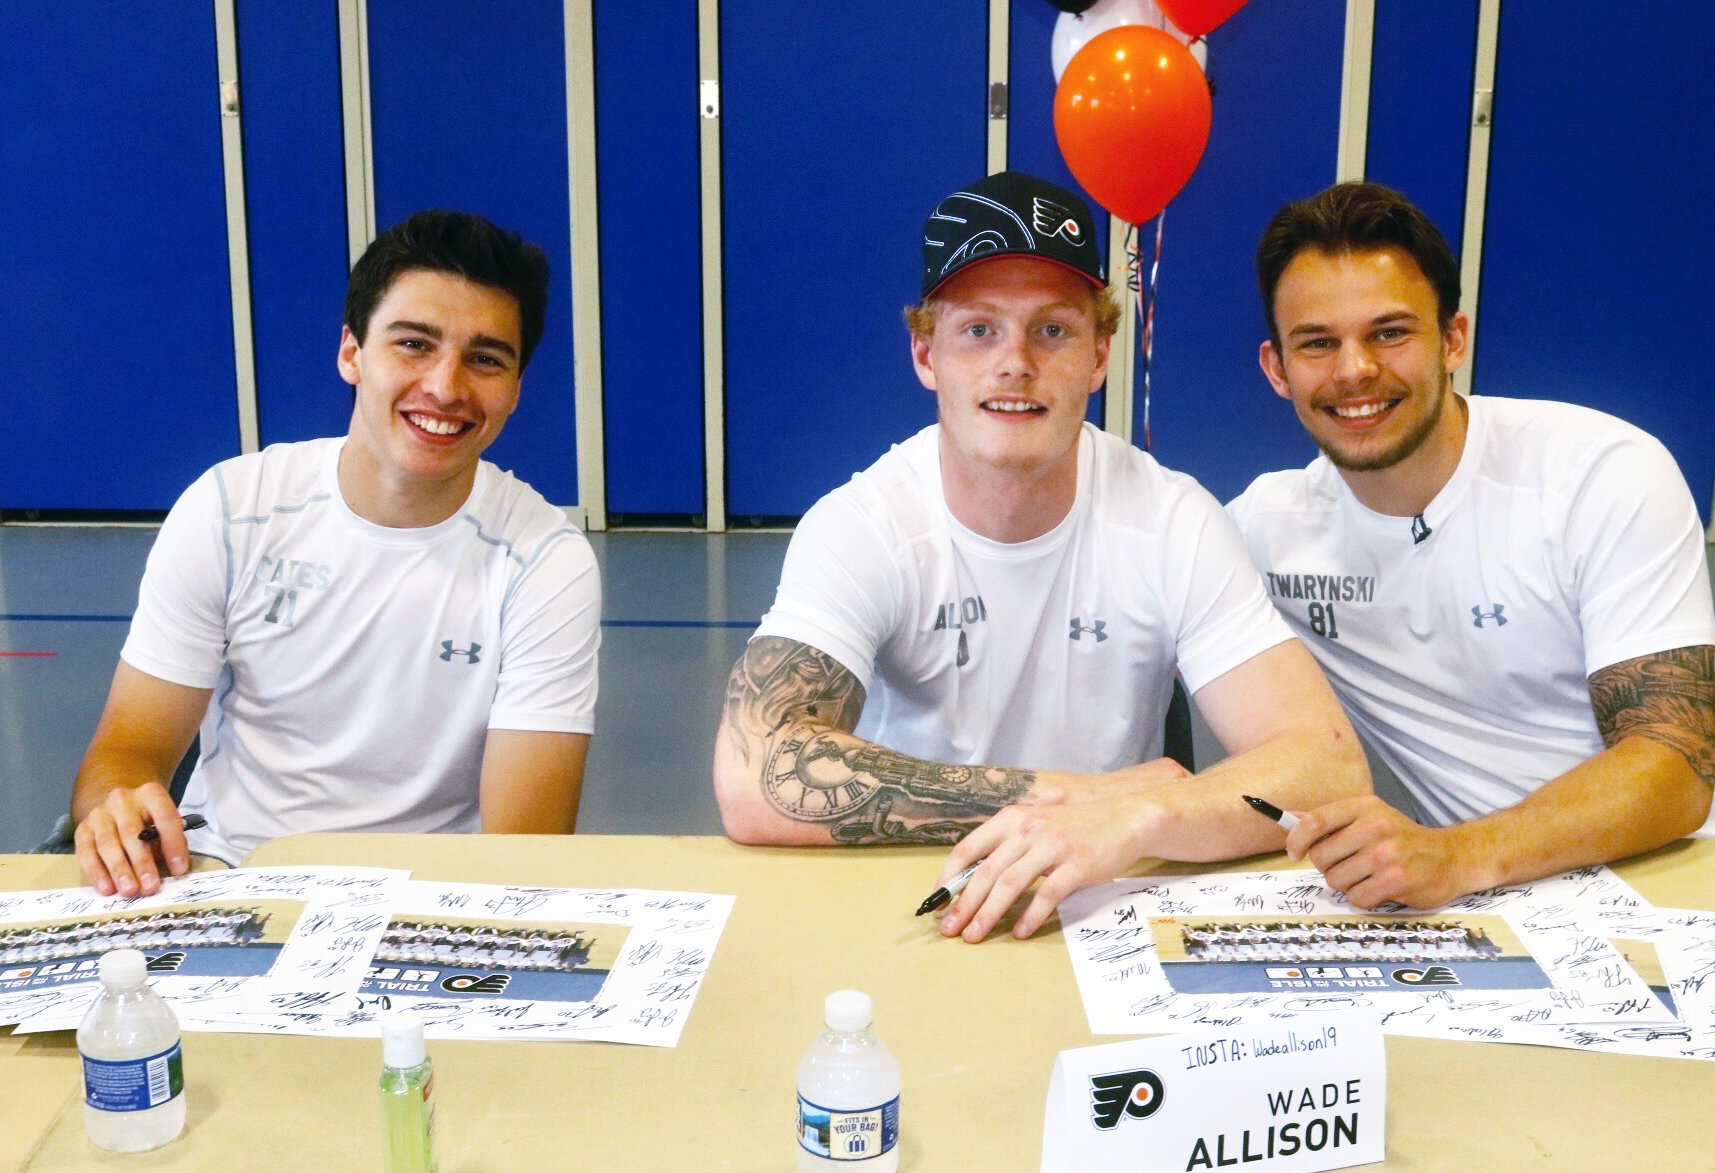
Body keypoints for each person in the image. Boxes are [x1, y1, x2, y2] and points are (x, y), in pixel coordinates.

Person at [714, 171, 1370, 942]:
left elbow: (1326, 766)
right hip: (916, 893)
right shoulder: (864, 524)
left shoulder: (1170, 518)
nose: (1015, 361)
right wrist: (1075, 798)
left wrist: (1139, 815)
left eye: (1052, 330)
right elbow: (755, 772)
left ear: (1099, 354)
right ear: (926, 353)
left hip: (1110, 897)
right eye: (979, 330)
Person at [1229, 181, 1715, 912]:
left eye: (1390, 332)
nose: (1354, 369)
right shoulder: (1264, 530)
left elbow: (1672, 767)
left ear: (1454, 339)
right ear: (1277, 369)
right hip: (1520, 909)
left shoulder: (1599, 473)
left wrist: (1452, 853)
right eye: (1318, 342)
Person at [72, 210, 601, 896]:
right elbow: (125, 750)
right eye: (414, 344)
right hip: (224, 878)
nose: (445, 386)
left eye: (486, 358)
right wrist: (115, 808)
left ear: (516, 390)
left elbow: (519, 856)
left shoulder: (546, 563)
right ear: (351, 352)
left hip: (428, 906)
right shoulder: (232, 509)